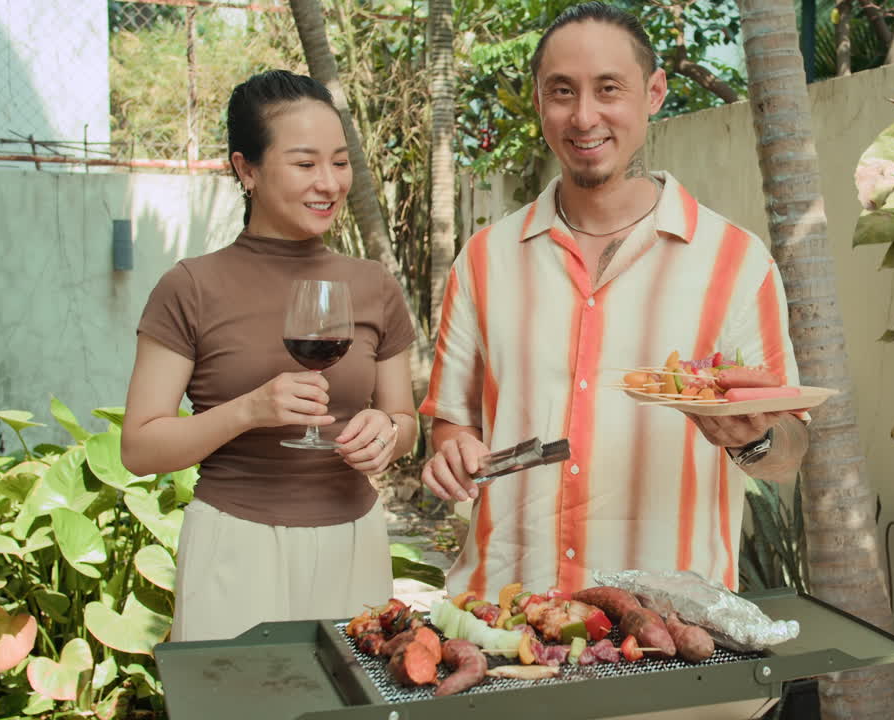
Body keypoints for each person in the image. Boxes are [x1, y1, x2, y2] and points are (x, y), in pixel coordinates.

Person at [418, 2, 810, 598]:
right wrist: (451, 454)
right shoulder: (483, 258)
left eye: (609, 89)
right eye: (561, 91)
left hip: (670, 624)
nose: (584, 116)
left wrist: (751, 438)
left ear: (653, 93)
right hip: (504, 613)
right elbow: (451, 426)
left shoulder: (735, 262)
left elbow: (786, 455)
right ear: (538, 101)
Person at [121, 70, 418, 642]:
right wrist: (249, 410)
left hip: (354, 542)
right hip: (235, 546)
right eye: (305, 164)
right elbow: (139, 447)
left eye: (339, 162)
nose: (330, 183)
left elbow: (405, 424)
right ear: (246, 169)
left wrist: (388, 429)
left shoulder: (374, 284)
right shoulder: (190, 287)